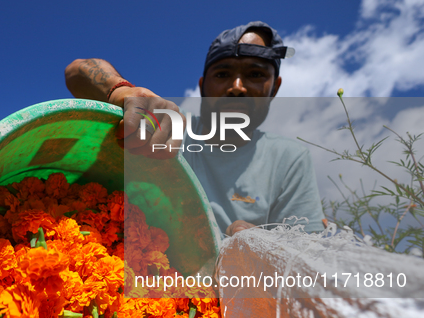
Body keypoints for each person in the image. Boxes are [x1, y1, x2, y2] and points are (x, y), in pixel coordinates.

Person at [65, 21, 325, 237]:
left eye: (255, 74)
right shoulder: (171, 129)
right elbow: (76, 72)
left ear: (274, 88)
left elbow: (308, 258)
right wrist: (121, 91)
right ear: (202, 86)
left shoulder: (289, 159)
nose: (237, 87)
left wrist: (267, 246)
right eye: (222, 74)